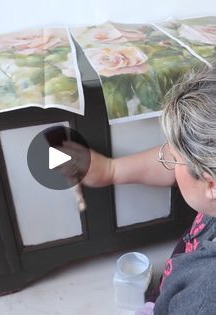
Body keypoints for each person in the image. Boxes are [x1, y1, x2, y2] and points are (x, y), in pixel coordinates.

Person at [59, 68, 216, 315]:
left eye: (173, 159)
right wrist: (109, 170)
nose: (167, 161)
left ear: (211, 184)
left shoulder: (202, 299)